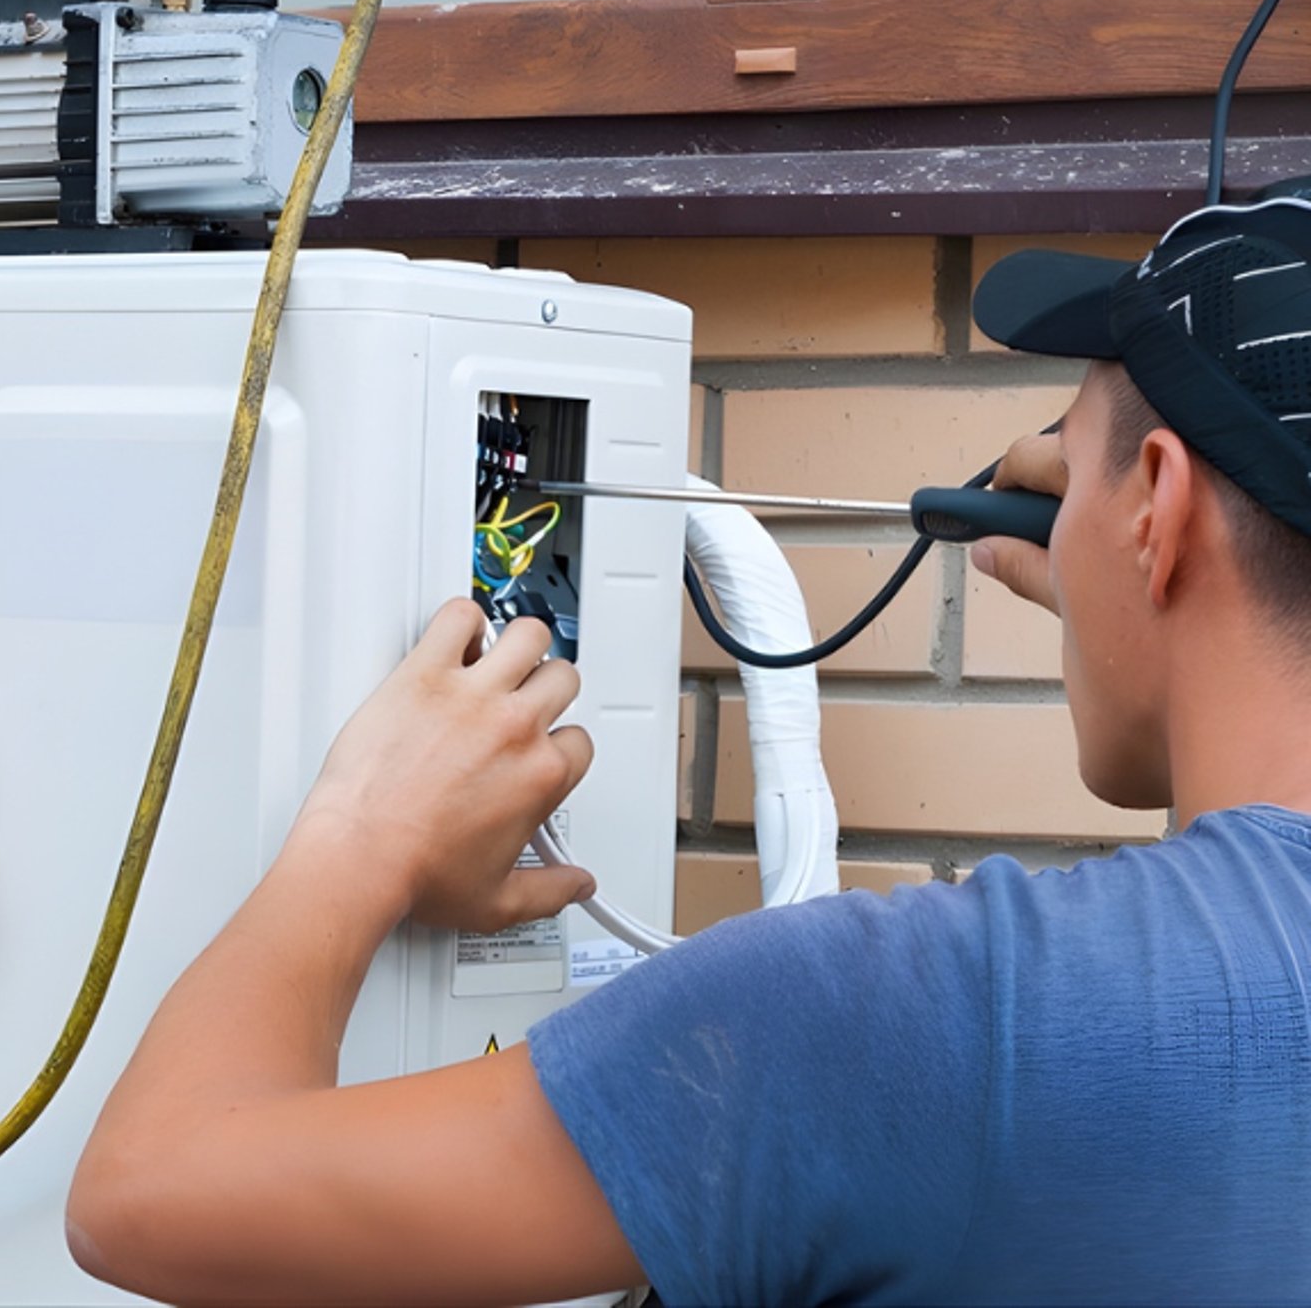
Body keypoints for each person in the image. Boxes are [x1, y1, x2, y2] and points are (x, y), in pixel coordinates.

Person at [66, 199, 1311, 1306]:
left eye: (1079, 460)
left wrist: (361, 836)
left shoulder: (922, 1020)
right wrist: (1147, 609)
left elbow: (149, 1191)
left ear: (1160, 499)